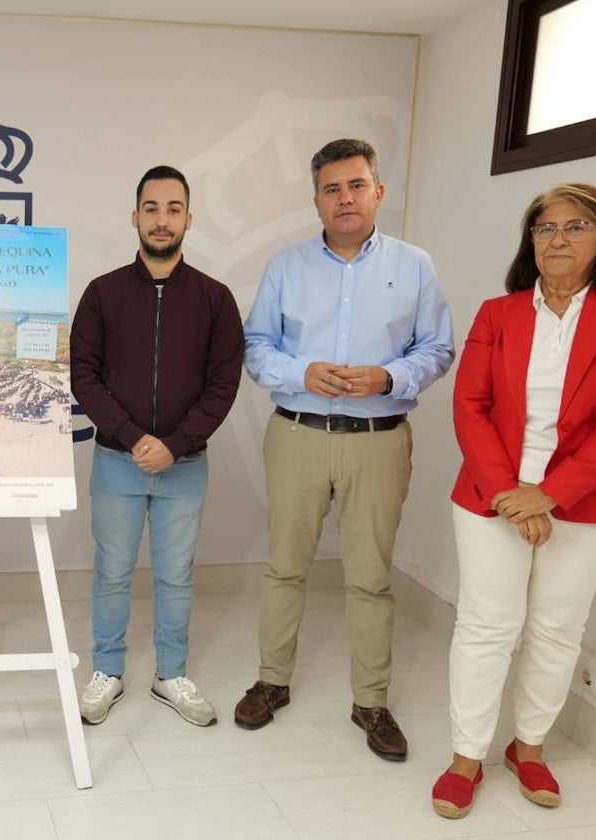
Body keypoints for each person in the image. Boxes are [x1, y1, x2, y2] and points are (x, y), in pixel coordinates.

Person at [236, 138, 454, 760]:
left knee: (369, 577)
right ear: (316, 201)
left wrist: (390, 378)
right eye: (332, 189)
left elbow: (437, 349)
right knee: (285, 565)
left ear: (378, 192)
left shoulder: (415, 265)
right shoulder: (286, 266)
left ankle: (371, 701)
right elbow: (256, 348)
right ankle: (271, 681)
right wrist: (301, 372)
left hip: (378, 441)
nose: (345, 198)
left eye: (356, 185)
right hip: (298, 433)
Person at [432, 184, 596, 819]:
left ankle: (530, 746)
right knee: (486, 626)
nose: (559, 239)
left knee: (556, 629)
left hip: (592, 501)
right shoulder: (498, 312)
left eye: (577, 227)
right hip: (492, 496)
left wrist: (549, 493)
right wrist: (510, 493)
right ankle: (467, 755)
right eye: (546, 228)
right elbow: (471, 405)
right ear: (531, 241)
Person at [70, 165, 244, 727]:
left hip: (185, 465)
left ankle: (171, 674)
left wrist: (175, 443)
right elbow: (84, 375)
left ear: (189, 219)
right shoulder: (102, 294)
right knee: (113, 571)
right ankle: (108, 672)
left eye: (173, 209)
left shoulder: (216, 300)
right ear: (135, 217)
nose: (162, 219)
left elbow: (224, 383)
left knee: (176, 574)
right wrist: (132, 436)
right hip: (117, 462)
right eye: (152, 208)